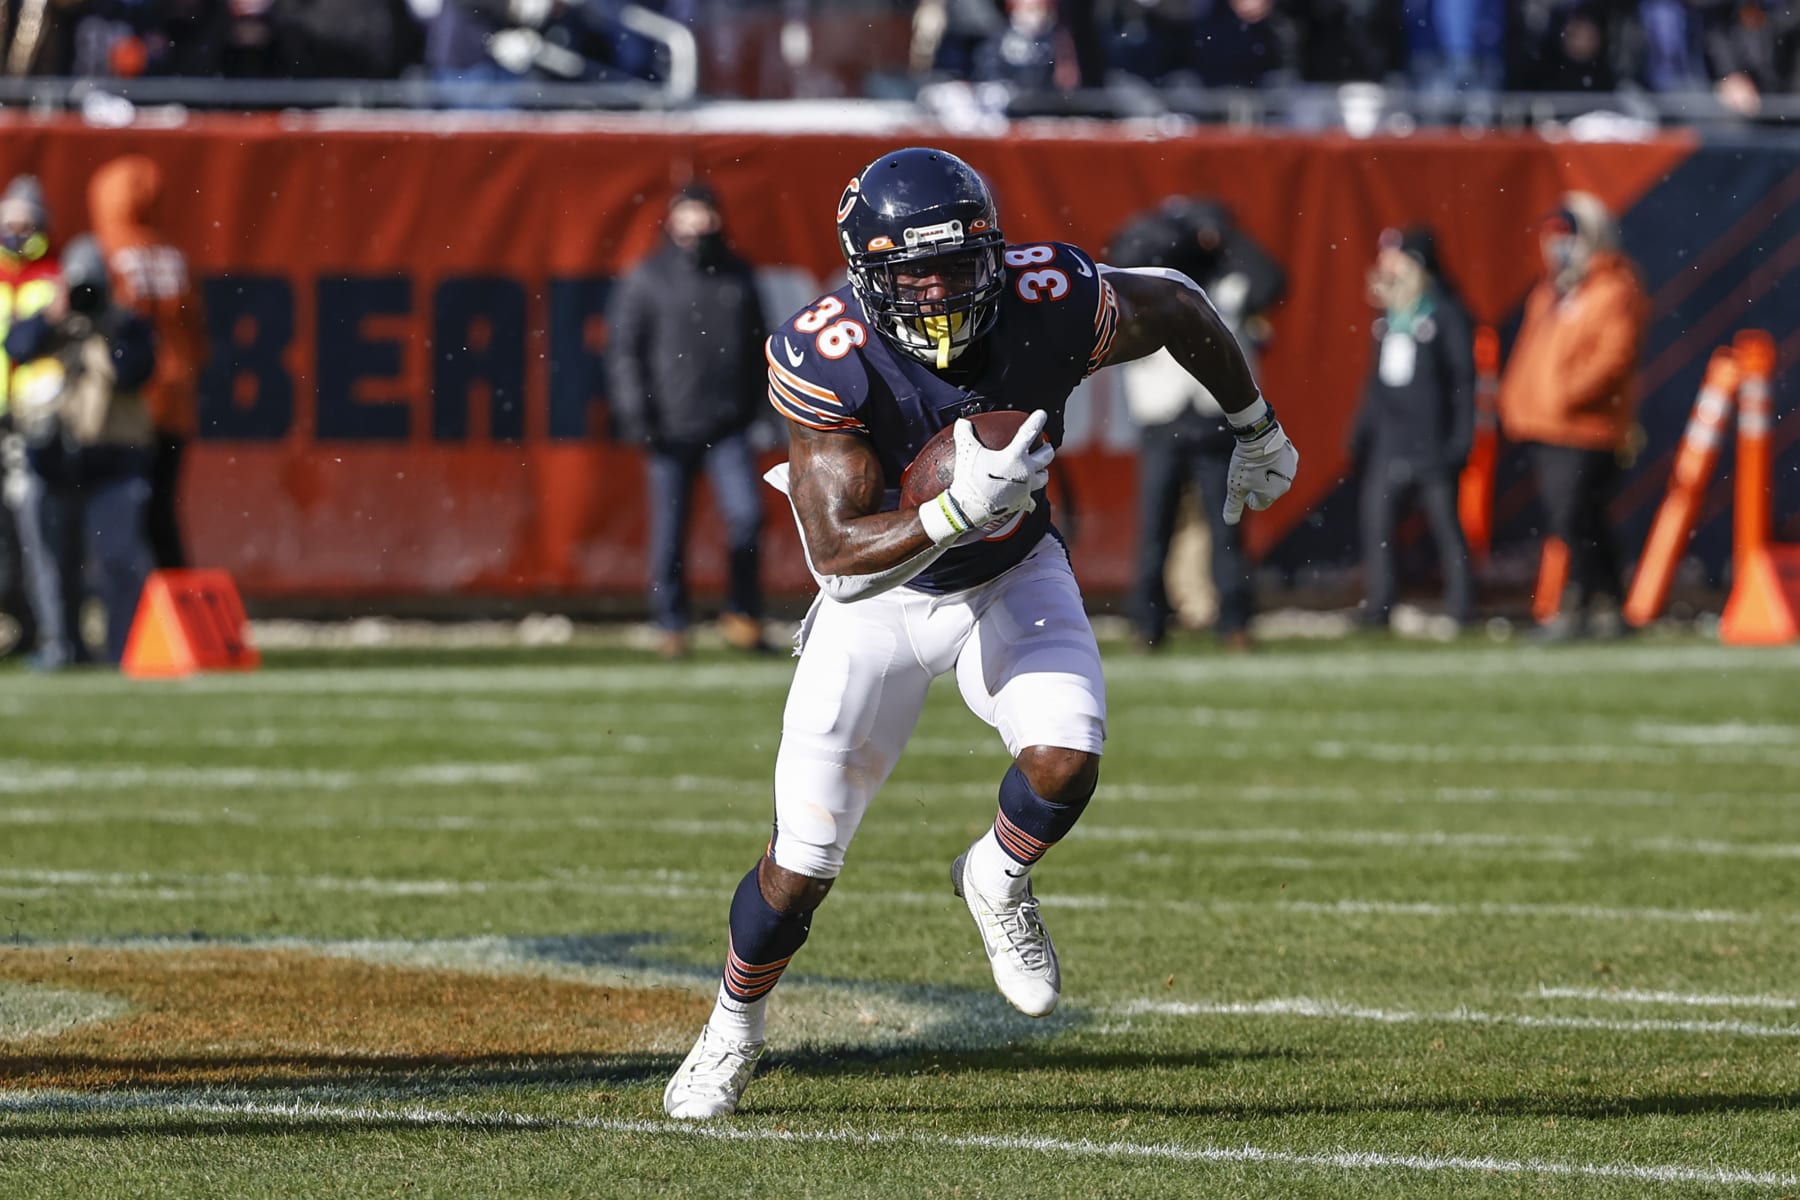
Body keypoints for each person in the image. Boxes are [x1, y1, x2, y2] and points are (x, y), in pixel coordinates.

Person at [661, 147, 1299, 1120]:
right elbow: (836, 554)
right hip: (875, 606)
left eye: (958, 266)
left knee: (1067, 758)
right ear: (868, 273)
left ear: (993, 254)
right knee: (802, 865)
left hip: (1011, 574)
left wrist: (1255, 423)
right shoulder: (825, 351)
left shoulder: (1047, 298)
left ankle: (995, 876)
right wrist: (955, 510)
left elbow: (1173, 300)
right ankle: (731, 1029)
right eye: (914, 273)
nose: (940, 293)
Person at [606, 182, 771, 659]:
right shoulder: (648, 277)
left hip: (728, 427)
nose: (697, 226)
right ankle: (671, 624)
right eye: (688, 216)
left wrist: (761, 408)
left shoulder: (738, 276)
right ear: (673, 221)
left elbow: (762, 347)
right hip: (668, 429)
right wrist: (637, 413)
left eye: (704, 216)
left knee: (747, 518)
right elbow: (624, 352)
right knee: (670, 532)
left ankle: (743, 615)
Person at [1111, 197, 1285, 652]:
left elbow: (1271, 281)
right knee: (1155, 528)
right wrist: (1173, 235)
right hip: (1162, 418)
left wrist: (1222, 236)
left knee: (1227, 528)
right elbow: (1123, 257)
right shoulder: (1148, 277)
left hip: (1214, 419)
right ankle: (1148, 623)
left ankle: (1235, 621)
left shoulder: (1229, 279)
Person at [1497, 193, 1648, 639]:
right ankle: (1606, 606)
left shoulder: (1614, 287)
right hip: (1549, 424)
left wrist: (1564, 395)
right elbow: (1531, 355)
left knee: (1575, 518)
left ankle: (1583, 603)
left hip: (1588, 427)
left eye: (1568, 237)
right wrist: (1518, 400)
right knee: (1582, 520)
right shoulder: (1554, 290)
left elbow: (1613, 356)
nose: (1558, 247)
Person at [4, 235, 157, 668]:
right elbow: (17, 347)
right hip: (52, 459)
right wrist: (53, 316)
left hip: (113, 460)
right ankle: (61, 646)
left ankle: (121, 651)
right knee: (52, 565)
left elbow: (135, 372)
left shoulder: (126, 324)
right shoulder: (54, 321)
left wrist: (105, 327)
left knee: (117, 563)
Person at [1351, 226, 1476, 631]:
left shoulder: (1445, 315)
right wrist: (1362, 431)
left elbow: (1462, 383)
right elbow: (1376, 383)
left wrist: (1460, 438)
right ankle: (1380, 605)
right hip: (1391, 439)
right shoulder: (1388, 319)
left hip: (1431, 440)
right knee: (1379, 525)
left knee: (1445, 527)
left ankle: (1461, 605)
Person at [89, 154, 208, 572]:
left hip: (127, 402)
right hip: (175, 398)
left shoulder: (104, 253)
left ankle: (134, 610)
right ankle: (177, 601)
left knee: (117, 512)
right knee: (161, 511)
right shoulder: (175, 257)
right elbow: (197, 336)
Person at [0, 174, 65, 667]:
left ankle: (50, 635)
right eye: (10, 223)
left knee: (36, 536)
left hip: (34, 424)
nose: (17, 232)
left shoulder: (55, 280)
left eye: (25, 223)